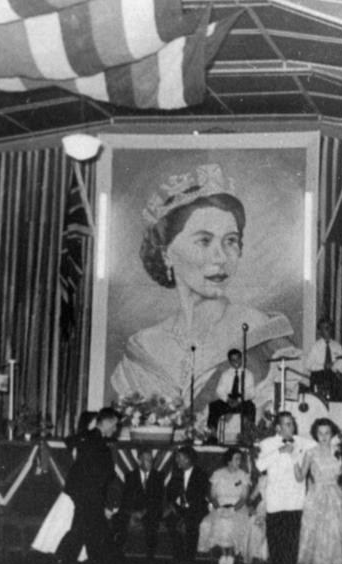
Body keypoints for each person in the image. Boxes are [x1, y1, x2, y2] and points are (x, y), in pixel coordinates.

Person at [110, 163, 296, 412]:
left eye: (231, 241)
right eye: (204, 241)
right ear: (167, 254)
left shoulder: (261, 331)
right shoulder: (143, 347)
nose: (220, 257)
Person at [56, 408, 121, 564]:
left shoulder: (89, 438)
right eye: (114, 425)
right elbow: (104, 473)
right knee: (84, 533)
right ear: (106, 423)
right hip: (90, 495)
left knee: (87, 533)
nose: (115, 429)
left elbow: (70, 441)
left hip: (84, 494)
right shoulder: (97, 443)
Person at [256, 411, 316, 564]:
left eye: (292, 423)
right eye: (287, 424)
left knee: (292, 548)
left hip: (295, 503)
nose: (291, 427)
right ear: (278, 427)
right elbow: (260, 465)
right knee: (276, 548)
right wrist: (281, 451)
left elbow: (321, 444)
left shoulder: (303, 442)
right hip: (275, 504)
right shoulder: (267, 443)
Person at [296, 418, 342, 564]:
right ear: (315, 434)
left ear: (332, 433)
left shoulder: (338, 451)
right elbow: (300, 477)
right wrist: (293, 459)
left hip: (334, 498)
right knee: (318, 540)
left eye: (327, 432)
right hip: (316, 498)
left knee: (332, 539)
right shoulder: (310, 452)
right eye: (320, 433)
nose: (324, 436)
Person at [197, 448, 250, 564]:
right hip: (220, 506)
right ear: (229, 460)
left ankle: (231, 553)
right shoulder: (218, 474)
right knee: (211, 522)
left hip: (238, 507)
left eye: (240, 459)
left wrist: (233, 509)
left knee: (229, 522)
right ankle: (223, 553)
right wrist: (218, 508)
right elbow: (213, 496)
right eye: (236, 459)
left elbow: (244, 498)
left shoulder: (243, 475)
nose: (239, 461)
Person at [113, 449, 164, 559]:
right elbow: (127, 498)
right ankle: (117, 555)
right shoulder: (130, 476)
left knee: (151, 523)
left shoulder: (158, 476)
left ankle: (150, 558)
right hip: (133, 510)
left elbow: (157, 499)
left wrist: (143, 512)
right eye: (147, 460)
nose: (150, 462)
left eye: (151, 460)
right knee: (117, 520)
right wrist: (132, 513)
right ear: (139, 461)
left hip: (150, 510)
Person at [165, 445, 209, 564]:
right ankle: (178, 555)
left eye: (179, 457)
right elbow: (169, 493)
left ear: (187, 459)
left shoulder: (201, 474)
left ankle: (189, 559)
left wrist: (185, 516)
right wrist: (172, 506)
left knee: (191, 524)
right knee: (170, 520)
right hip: (180, 508)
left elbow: (199, 498)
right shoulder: (177, 473)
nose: (176, 460)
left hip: (195, 508)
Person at [207, 349, 257, 437]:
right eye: (233, 360)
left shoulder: (248, 374)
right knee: (213, 406)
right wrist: (228, 400)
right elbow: (219, 390)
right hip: (228, 401)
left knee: (251, 407)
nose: (236, 362)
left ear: (241, 359)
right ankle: (211, 435)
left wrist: (239, 400)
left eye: (238, 359)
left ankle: (248, 435)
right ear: (229, 361)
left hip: (242, 401)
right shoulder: (225, 374)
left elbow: (251, 392)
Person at [305, 317, 342, 401]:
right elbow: (308, 365)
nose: (328, 330)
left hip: (334, 378)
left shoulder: (337, 346)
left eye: (329, 328)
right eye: (325, 328)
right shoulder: (315, 346)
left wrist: (341, 369)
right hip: (319, 377)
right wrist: (324, 366)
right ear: (320, 331)